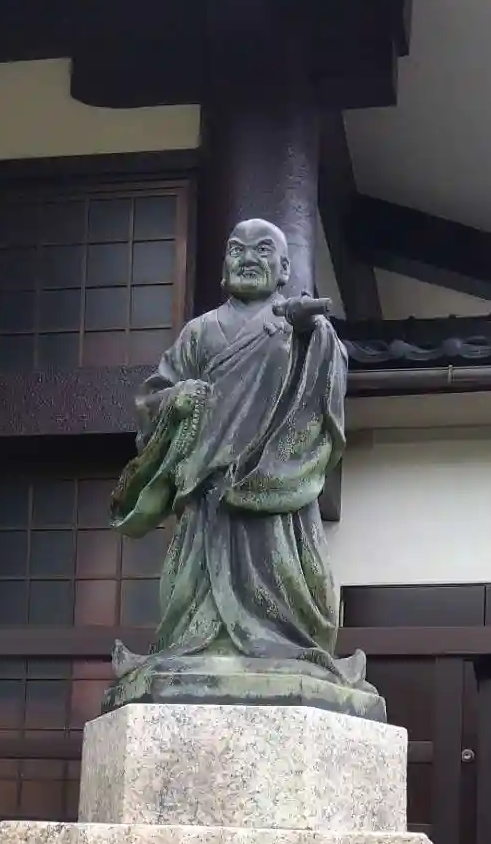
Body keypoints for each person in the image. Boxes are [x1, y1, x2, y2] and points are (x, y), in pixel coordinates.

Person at [105, 218, 382, 721]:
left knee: (288, 575)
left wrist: (311, 332)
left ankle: (286, 644)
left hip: (274, 487)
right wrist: (178, 398)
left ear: (284, 269)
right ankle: (194, 643)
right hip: (208, 492)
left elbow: (326, 387)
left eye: (263, 250)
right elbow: (151, 399)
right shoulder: (199, 333)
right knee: (190, 586)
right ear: (223, 266)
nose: (248, 259)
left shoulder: (301, 328)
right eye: (237, 250)